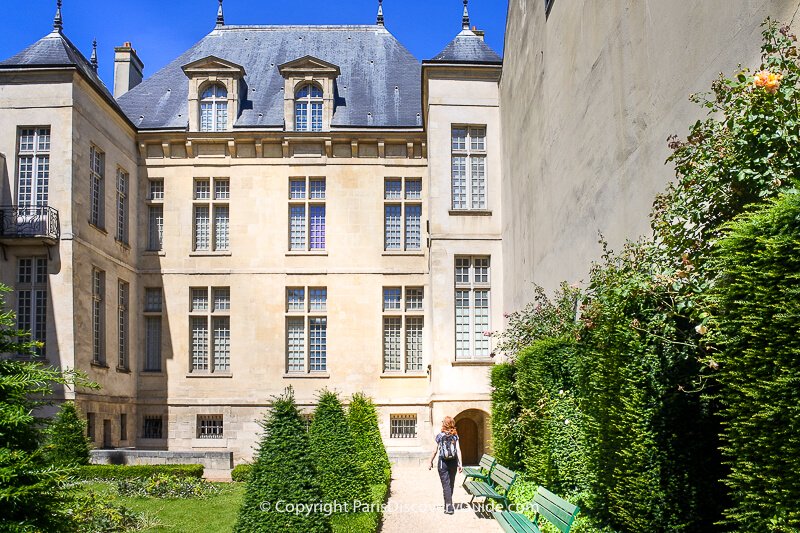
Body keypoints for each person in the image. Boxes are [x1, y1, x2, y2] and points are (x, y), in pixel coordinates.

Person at [428, 416, 463, 514]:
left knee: (446, 485)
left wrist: (430, 461)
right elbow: (458, 450)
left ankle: (449, 507)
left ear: (444, 424)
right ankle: (448, 505)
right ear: (452, 424)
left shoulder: (439, 436)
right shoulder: (455, 436)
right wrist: (460, 464)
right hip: (453, 462)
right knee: (450, 484)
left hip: (442, 463)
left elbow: (435, 451)